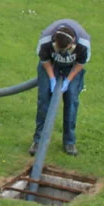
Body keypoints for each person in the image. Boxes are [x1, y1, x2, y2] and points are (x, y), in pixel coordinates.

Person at [29, 19, 90, 157]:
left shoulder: (83, 43)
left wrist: (68, 81)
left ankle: (69, 142)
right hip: (51, 65)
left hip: (72, 69)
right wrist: (51, 78)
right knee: (44, 100)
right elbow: (44, 60)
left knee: (71, 101)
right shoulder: (45, 40)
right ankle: (38, 141)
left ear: (72, 42)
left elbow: (80, 64)